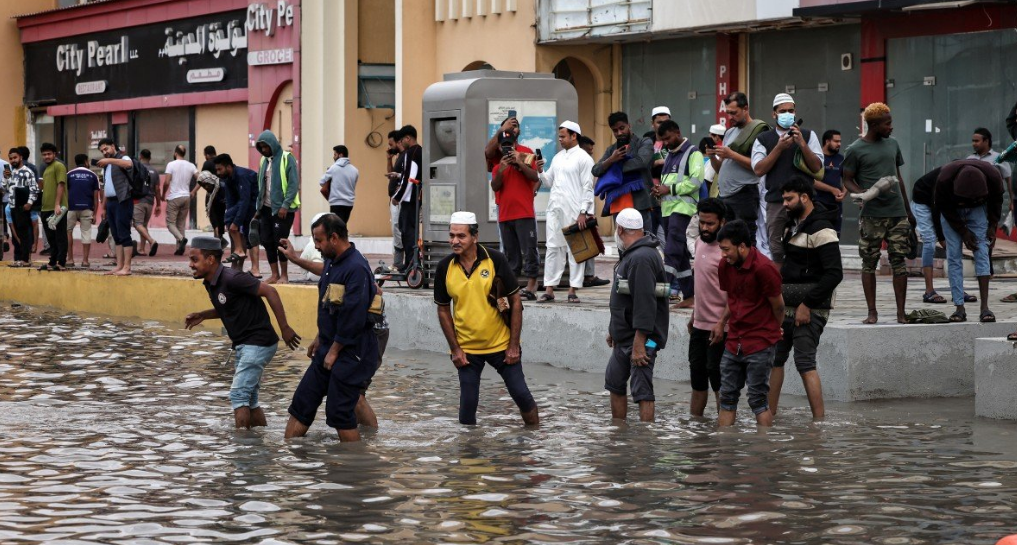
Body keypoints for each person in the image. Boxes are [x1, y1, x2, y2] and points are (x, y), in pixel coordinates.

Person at [278, 215, 387, 429]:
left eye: (319, 241)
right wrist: (320, 339)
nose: (316, 246)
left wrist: (335, 350)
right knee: (302, 404)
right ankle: (291, 457)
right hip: (329, 344)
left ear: (334, 238)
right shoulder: (332, 262)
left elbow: (352, 317)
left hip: (352, 348)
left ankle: (364, 449)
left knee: (342, 409)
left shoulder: (356, 267)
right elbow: (331, 308)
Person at [434, 211, 539, 427]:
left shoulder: (495, 260)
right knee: (467, 407)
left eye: (461, 236)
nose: (455, 241)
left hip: (501, 345)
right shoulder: (444, 267)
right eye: (452, 235)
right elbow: (443, 310)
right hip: (467, 350)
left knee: (522, 396)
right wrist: (455, 350)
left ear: (475, 236)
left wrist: (513, 346)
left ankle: (535, 441)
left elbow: (516, 302)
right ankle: (468, 455)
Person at [185, 236, 300, 429]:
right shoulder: (211, 281)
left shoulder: (232, 278)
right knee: (250, 397)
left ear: (211, 260)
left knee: (238, 395)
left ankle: (241, 451)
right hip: (246, 344)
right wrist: (203, 315)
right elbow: (228, 305)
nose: (190, 265)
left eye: (194, 260)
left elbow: (271, 291)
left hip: (257, 343)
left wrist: (285, 328)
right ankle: (257, 440)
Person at [769, 179, 842, 420]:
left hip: (810, 309)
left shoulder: (823, 229)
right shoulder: (792, 226)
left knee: (804, 362)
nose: (785, 204)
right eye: (784, 199)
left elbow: (835, 273)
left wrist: (807, 305)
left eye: (789, 199)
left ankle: (819, 424)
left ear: (805, 197)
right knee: (775, 358)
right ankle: (767, 416)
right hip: (786, 307)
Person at [842, 102, 915, 325]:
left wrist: (908, 210)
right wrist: (862, 193)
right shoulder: (855, 149)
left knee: (899, 262)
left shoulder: (893, 144)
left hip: (896, 213)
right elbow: (846, 179)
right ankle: (872, 312)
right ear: (874, 125)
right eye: (887, 123)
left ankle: (901, 313)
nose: (891, 127)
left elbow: (898, 177)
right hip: (872, 214)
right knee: (869, 262)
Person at [712, 219, 783, 427]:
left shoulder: (764, 268)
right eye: (721, 249)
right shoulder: (725, 265)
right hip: (734, 340)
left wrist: (774, 329)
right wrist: (721, 321)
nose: (723, 254)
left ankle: (764, 450)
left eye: (726, 249)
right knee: (727, 398)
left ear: (742, 246)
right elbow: (732, 298)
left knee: (758, 400)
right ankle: (725, 450)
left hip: (760, 342)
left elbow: (778, 306)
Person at [605, 208, 669, 422]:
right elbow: (623, 296)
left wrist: (640, 342)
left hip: (642, 338)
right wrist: (613, 328)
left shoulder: (641, 258)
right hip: (624, 335)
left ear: (620, 229)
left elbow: (645, 303)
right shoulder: (632, 255)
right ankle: (619, 436)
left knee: (642, 390)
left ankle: (644, 443)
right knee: (614, 382)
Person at [750, 93, 824, 265]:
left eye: (791, 110)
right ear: (774, 114)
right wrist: (778, 148)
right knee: (775, 245)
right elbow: (758, 169)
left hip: (805, 201)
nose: (787, 114)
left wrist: (802, 145)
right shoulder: (763, 139)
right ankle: (779, 286)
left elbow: (817, 167)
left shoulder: (808, 135)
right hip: (776, 200)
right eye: (782, 111)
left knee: (807, 241)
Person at [932, 160, 1004, 323]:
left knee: (982, 251)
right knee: (954, 256)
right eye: (966, 202)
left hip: (979, 210)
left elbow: (996, 202)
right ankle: (959, 307)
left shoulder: (993, 177)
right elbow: (942, 208)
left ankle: (985, 308)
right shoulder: (944, 180)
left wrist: (992, 225)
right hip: (951, 210)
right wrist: (963, 232)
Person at [537, 121, 595, 304]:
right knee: (553, 248)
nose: (560, 139)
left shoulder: (584, 158)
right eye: (559, 136)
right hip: (555, 209)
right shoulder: (558, 157)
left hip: (575, 210)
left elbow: (588, 186)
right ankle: (549, 290)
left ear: (573, 136)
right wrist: (540, 170)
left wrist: (584, 212)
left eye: (563, 136)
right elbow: (548, 182)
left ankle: (573, 290)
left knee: (576, 249)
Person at [653, 120, 703, 309]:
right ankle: (689, 296)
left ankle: (660, 290)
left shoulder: (693, 153)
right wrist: (659, 190)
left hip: (684, 210)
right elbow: (669, 185)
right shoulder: (670, 156)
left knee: (672, 250)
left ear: (677, 132)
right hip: (668, 210)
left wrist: (669, 189)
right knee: (680, 256)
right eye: (663, 140)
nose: (666, 142)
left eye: (668, 138)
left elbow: (696, 182)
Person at [491, 119, 541, 300]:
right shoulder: (498, 165)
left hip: (524, 212)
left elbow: (535, 176)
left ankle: (531, 285)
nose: (507, 149)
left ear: (515, 144)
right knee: (510, 253)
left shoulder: (526, 154)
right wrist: (503, 169)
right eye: (504, 146)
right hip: (505, 215)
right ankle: (512, 286)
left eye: (509, 145)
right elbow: (495, 187)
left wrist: (519, 163)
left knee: (529, 249)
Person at [687, 198, 727, 416]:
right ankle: (696, 431)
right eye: (702, 222)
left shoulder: (726, 252)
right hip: (699, 327)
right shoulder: (699, 244)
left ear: (722, 222)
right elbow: (702, 285)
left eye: (710, 224)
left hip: (722, 330)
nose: (705, 228)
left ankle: (725, 432)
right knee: (697, 380)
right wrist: (694, 315)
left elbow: (734, 294)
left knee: (719, 382)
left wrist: (722, 323)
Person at [713, 92, 769, 239]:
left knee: (745, 238)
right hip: (724, 194)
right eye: (728, 113)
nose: (730, 117)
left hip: (744, 193)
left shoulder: (758, 130)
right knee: (727, 239)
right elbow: (720, 169)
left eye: (734, 113)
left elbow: (759, 167)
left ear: (745, 109)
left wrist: (731, 154)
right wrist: (712, 155)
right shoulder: (730, 132)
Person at [592, 112, 655, 226]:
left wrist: (613, 167)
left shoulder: (644, 142)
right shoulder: (611, 150)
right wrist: (611, 159)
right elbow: (595, 170)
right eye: (615, 130)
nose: (619, 133)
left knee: (643, 239)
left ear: (629, 125)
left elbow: (641, 162)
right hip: (617, 204)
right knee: (622, 243)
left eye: (622, 128)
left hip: (640, 203)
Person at [255, 129, 301, 285]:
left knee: (280, 242)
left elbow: (293, 184)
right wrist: (258, 208)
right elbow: (260, 185)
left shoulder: (287, 159)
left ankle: (284, 275)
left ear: (272, 144)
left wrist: (285, 205)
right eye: (260, 147)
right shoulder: (263, 161)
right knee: (267, 241)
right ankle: (274, 274)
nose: (263, 150)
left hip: (282, 210)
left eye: (265, 147)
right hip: (266, 209)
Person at [96, 138, 136, 276]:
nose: (104, 152)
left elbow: (128, 164)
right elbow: (107, 186)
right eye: (102, 151)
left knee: (124, 233)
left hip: (123, 200)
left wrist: (109, 160)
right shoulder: (107, 166)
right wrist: (104, 207)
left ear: (113, 146)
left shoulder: (122, 157)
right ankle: (119, 266)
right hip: (111, 202)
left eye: (106, 149)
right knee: (116, 234)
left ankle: (127, 267)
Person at [214, 154, 259, 268]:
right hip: (244, 203)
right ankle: (238, 257)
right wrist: (230, 223)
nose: (218, 172)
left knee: (248, 236)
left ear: (228, 167)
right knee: (230, 220)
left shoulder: (241, 175)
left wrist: (236, 222)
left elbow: (245, 200)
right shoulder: (227, 179)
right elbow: (230, 202)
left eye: (220, 169)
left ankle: (251, 266)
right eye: (216, 170)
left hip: (254, 203)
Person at [910, 167, 947, 304]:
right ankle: (929, 290)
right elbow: (935, 210)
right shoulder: (942, 179)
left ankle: (958, 288)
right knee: (930, 242)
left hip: (940, 204)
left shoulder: (964, 179)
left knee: (954, 241)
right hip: (922, 203)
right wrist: (941, 237)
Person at [391, 125, 422, 273]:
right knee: (408, 229)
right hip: (414, 198)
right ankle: (410, 261)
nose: (400, 143)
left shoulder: (411, 152)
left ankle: (411, 263)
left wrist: (397, 197)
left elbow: (410, 178)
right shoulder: (419, 151)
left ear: (408, 138)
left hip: (410, 200)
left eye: (402, 140)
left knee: (407, 231)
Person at [5, 148, 40, 267]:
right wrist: (6, 178)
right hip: (13, 206)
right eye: (10, 158)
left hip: (23, 207)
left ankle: (25, 260)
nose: (12, 160)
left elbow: (34, 189)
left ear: (20, 157)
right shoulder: (10, 171)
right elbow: (6, 188)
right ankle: (20, 259)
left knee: (24, 234)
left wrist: (29, 203)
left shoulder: (27, 172)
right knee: (17, 235)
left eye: (15, 157)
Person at [65, 154, 100, 269]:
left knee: (68, 232)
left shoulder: (69, 174)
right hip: (87, 208)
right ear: (85, 161)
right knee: (86, 233)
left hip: (71, 208)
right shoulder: (93, 175)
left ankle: (70, 259)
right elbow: (96, 197)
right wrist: (95, 213)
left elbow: (64, 192)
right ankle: (85, 261)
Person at [39, 143, 68, 271]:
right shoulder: (46, 169)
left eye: (49, 154)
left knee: (60, 236)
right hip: (45, 208)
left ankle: (61, 262)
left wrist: (57, 204)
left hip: (58, 208)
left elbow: (61, 185)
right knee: (51, 238)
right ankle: (52, 261)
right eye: (44, 154)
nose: (47, 156)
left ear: (55, 154)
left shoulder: (59, 166)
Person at [163, 145, 197, 255]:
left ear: (175, 153)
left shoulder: (171, 165)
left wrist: (163, 194)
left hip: (175, 197)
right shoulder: (191, 165)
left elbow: (167, 182)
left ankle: (181, 239)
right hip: (186, 196)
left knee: (170, 223)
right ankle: (179, 249)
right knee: (181, 223)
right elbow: (201, 179)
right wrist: (194, 191)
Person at [647, 106, 672, 238]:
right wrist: (656, 162)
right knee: (649, 236)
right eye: (659, 122)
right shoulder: (646, 142)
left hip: (669, 197)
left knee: (670, 238)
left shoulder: (675, 143)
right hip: (648, 197)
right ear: (652, 124)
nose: (663, 126)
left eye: (666, 122)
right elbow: (641, 164)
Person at [320, 145, 359, 224]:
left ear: (340, 155)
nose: (333, 157)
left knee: (336, 227)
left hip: (336, 202)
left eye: (335, 154)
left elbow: (322, 182)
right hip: (349, 203)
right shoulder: (355, 170)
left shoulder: (334, 168)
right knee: (343, 224)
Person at [816, 130, 846, 233]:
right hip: (819, 203)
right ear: (827, 141)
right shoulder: (817, 158)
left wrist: (844, 194)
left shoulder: (841, 159)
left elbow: (847, 179)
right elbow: (811, 181)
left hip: (836, 206)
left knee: (835, 235)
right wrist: (831, 189)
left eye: (840, 141)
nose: (839, 144)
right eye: (836, 141)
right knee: (820, 234)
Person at [134, 149, 160, 257]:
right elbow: (157, 189)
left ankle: (151, 241)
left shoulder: (137, 169)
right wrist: (158, 204)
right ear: (150, 157)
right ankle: (141, 249)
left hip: (139, 200)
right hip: (150, 201)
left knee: (137, 224)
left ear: (140, 156)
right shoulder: (154, 171)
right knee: (144, 225)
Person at [386, 130, 405, 269]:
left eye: (391, 144)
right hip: (394, 196)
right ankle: (398, 261)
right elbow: (390, 174)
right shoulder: (398, 157)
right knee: (395, 227)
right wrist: (388, 159)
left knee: (398, 227)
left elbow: (406, 176)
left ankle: (399, 261)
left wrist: (398, 176)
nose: (389, 147)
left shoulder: (406, 156)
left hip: (399, 198)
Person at [18, 146, 42, 256]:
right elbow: (37, 184)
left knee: (22, 225)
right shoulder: (33, 167)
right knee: (34, 223)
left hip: (20, 201)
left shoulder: (15, 167)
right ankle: (34, 244)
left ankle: (23, 247)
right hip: (32, 200)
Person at [201, 145, 227, 243]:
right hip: (222, 194)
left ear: (207, 155)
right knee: (221, 215)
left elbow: (202, 178)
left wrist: (194, 191)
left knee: (212, 214)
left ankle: (216, 234)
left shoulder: (207, 163)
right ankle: (220, 235)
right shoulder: (221, 162)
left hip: (212, 194)